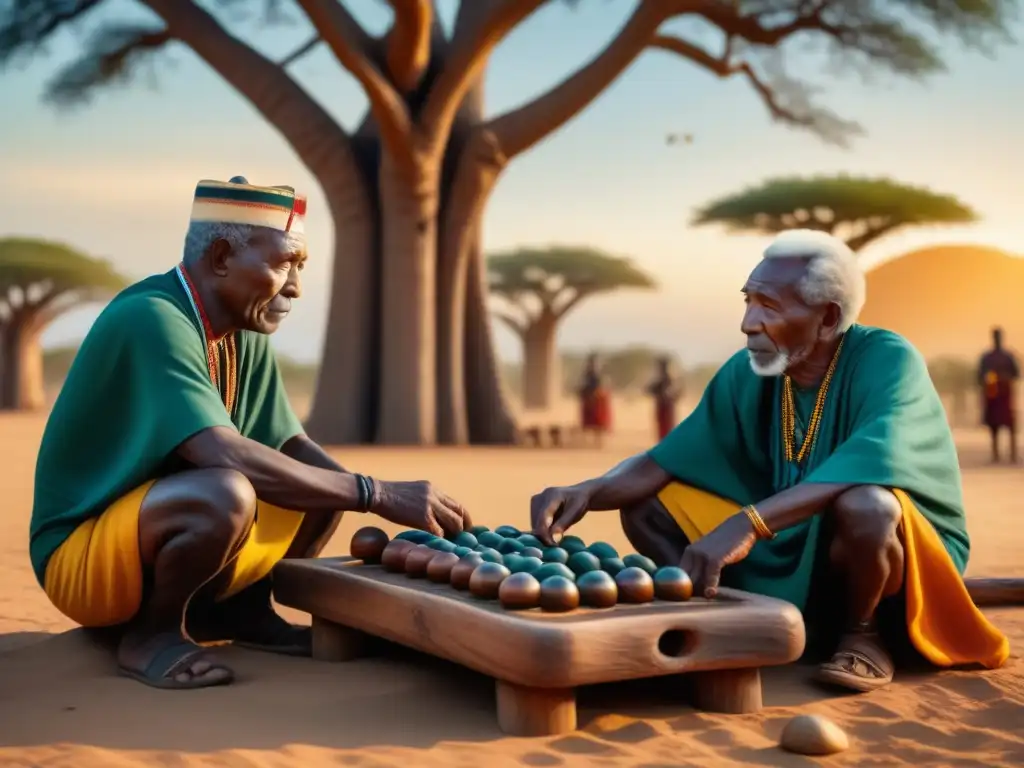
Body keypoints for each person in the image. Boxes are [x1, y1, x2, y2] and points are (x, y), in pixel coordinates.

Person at [29, 177, 471, 691]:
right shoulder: (152, 318)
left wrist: (353, 486)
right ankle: (150, 635)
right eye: (284, 264)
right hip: (81, 558)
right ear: (221, 258)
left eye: (300, 267)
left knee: (321, 479)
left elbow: (289, 447)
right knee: (225, 492)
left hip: (155, 523)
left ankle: (240, 610)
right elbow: (221, 451)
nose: (296, 287)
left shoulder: (240, 326)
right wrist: (376, 494)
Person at [529, 229, 1008, 693]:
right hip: (788, 539)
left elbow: (868, 462)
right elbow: (665, 460)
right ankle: (722, 614)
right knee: (648, 503)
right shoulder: (751, 369)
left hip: (889, 548)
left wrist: (749, 523)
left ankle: (861, 634)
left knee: (867, 506)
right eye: (748, 301)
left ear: (827, 318)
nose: (748, 322)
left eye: (769, 306)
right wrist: (588, 491)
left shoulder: (888, 359)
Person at [978, 327, 1019, 463]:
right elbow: (980, 376)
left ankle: (1013, 454)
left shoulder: (1008, 356)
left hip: (1006, 396)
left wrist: (1004, 377)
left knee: (1011, 425)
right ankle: (995, 455)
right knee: (993, 426)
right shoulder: (987, 358)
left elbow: (1016, 373)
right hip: (992, 396)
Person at [646, 355, 683, 440]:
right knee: (663, 428)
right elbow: (649, 390)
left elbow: (678, 393)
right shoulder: (661, 380)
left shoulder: (671, 379)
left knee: (667, 427)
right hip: (662, 407)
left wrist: (670, 396)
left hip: (667, 407)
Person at [578, 352, 612, 445]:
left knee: (599, 420)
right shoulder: (587, 374)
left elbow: (605, 385)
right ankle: (592, 440)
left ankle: (599, 440)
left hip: (599, 399)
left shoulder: (602, 373)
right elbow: (583, 386)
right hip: (589, 398)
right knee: (591, 420)